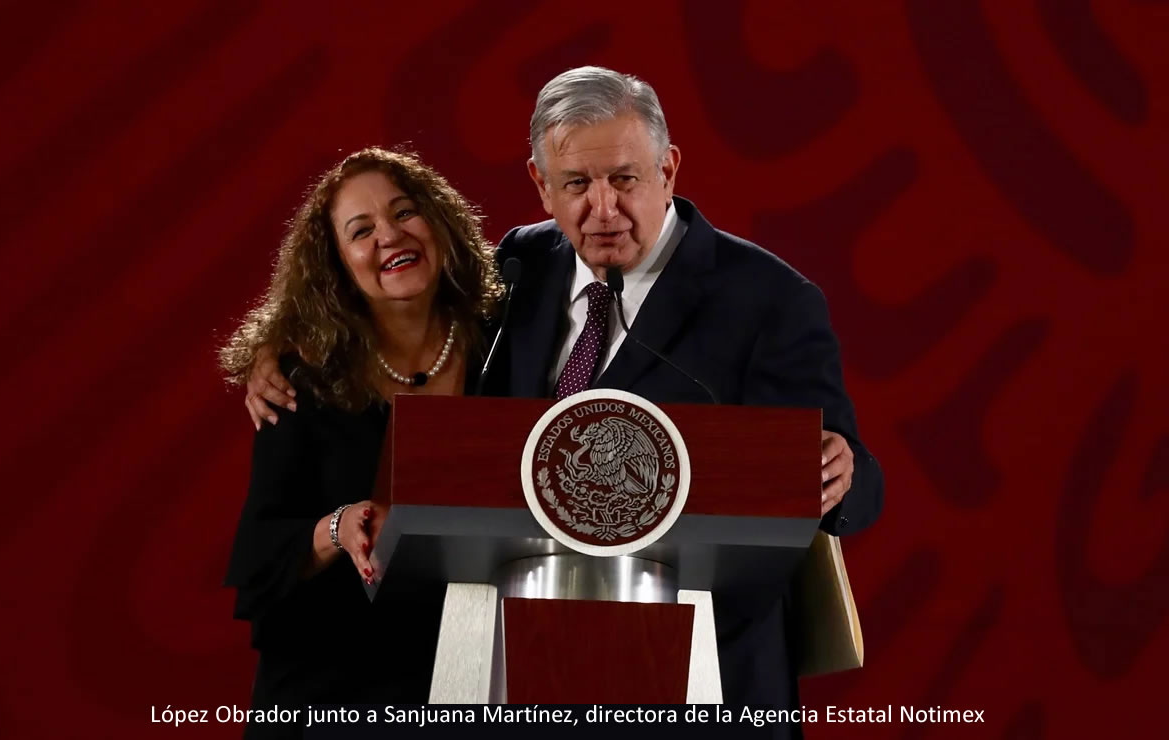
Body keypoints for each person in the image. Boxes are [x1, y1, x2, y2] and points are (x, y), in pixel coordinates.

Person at [244, 67, 883, 724]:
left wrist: (843, 470)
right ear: (540, 185)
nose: (602, 208)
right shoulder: (522, 265)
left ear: (669, 170)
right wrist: (280, 347)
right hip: (519, 674)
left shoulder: (770, 301)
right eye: (577, 184)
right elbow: (398, 306)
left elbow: (859, 487)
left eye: (625, 180)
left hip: (705, 680)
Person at [220, 146, 500, 737]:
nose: (390, 237)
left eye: (405, 212)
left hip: (472, 678)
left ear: (440, 221)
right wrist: (338, 527)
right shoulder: (304, 381)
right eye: (361, 231)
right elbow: (260, 553)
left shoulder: (505, 343)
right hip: (330, 692)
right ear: (338, 265)